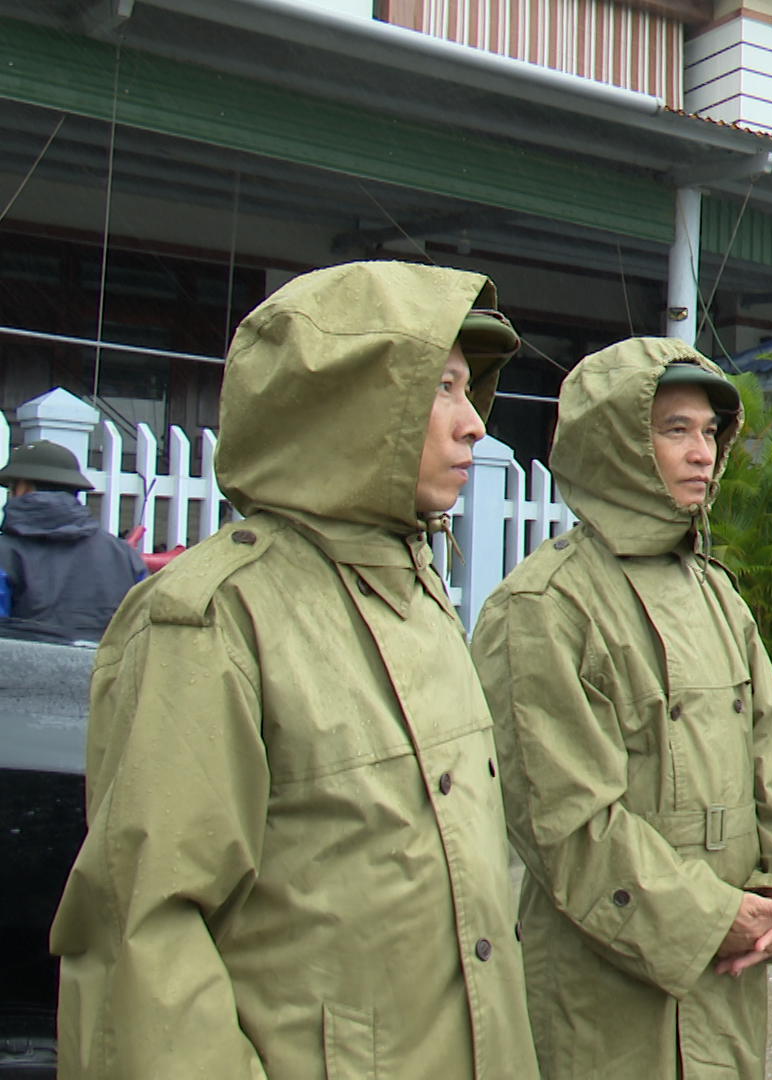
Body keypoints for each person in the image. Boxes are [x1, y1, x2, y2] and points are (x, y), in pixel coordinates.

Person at [51, 261, 539, 1075]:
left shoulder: (419, 600)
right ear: (351, 403)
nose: (474, 425)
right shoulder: (217, 619)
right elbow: (148, 946)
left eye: (468, 388)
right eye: (439, 386)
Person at [471, 338, 772, 1079]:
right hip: (605, 1005)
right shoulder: (542, 608)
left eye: (708, 432)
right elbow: (566, 825)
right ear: (615, 443)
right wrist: (711, 920)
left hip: (725, 992)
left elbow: (770, 760)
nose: (701, 453)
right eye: (674, 430)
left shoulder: (717, 596)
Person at [0, 440, 146, 639]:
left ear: (24, 488)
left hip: (23, 668)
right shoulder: (124, 555)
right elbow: (144, 632)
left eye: (11, 487)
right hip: (104, 669)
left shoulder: (4, 554)